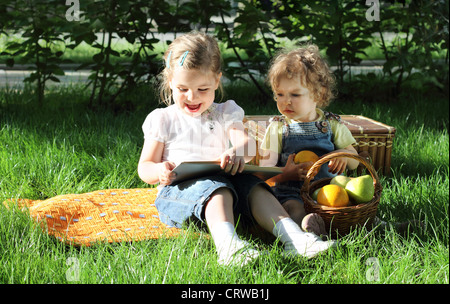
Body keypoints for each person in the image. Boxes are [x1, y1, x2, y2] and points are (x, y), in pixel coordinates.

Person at [137, 32, 336, 266]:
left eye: (203, 89)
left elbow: (247, 144)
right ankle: (229, 248)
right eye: (182, 89)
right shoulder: (163, 119)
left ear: (217, 81)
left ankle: (296, 239)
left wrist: (236, 152)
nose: (192, 97)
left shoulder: (224, 112)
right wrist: (160, 170)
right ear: (170, 81)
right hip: (179, 194)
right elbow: (144, 167)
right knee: (217, 188)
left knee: (254, 186)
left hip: (227, 189)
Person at [259, 44, 359, 235]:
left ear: (318, 94)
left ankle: (382, 225)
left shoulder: (332, 124)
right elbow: (265, 172)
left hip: (330, 191)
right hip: (292, 193)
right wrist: (285, 174)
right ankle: (309, 231)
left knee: (351, 206)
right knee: (294, 209)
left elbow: (354, 162)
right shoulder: (278, 128)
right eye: (280, 94)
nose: (286, 101)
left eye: (295, 94)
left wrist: (343, 155)